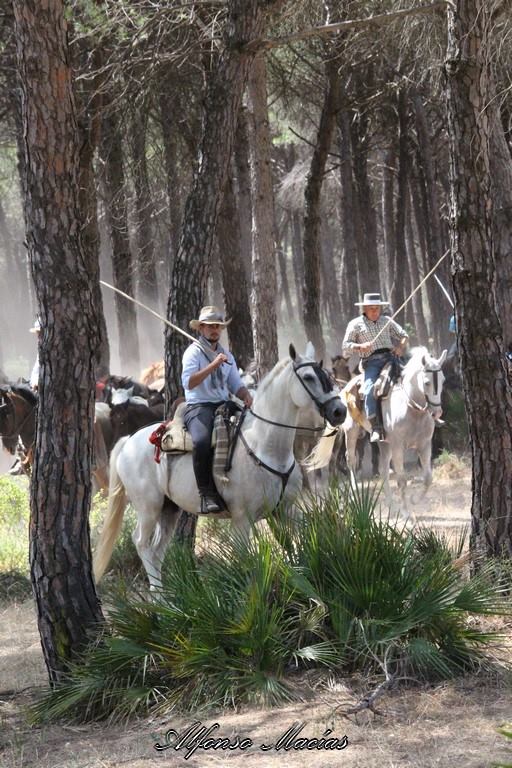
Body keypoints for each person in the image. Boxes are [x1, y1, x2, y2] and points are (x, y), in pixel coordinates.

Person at [182, 306, 253, 514]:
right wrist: (213, 365)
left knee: (250, 432)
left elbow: (235, 384)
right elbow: (188, 383)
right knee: (201, 441)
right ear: (201, 328)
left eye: (218, 326)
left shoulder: (226, 354)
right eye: (210, 326)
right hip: (199, 406)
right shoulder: (193, 353)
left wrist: (245, 395)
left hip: (224, 405)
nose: (215, 330)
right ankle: (206, 494)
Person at [342, 292, 408, 443]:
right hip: (371, 362)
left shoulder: (387, 321)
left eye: (377, 308)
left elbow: (404, 335)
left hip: (391, 358)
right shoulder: (355, 324)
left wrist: (400, 347)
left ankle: (427, 414)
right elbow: (345, 346)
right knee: (369, 390)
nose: (375, 311)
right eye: (371, 308)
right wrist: (360, 346)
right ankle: (376, 427)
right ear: (364, 309)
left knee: (415, 378)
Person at [29, 317, 41, 391]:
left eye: (40, 333)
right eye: (38, 333)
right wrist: (35, 382)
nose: (38, 336)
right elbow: (36, 370)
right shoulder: (41, 350)